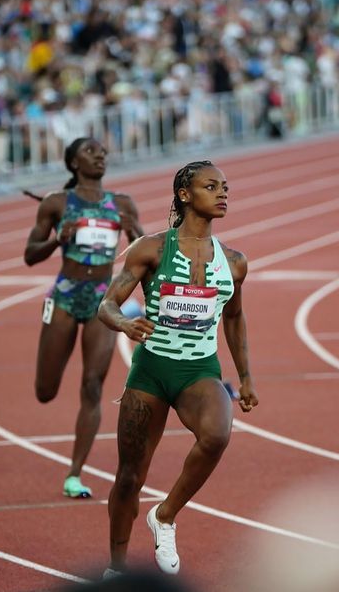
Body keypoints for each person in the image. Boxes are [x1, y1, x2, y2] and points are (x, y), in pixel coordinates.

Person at [97, 160, 258, 577]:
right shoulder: (150, 249)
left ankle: (165, 516)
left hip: (199, 371)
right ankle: (116, 569)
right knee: (130, 477)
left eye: (225, 187)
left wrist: (245, 377)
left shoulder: (234, 262)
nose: (223, 193)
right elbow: (107, 304)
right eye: (211, 186)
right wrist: (125, 323)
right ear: (185, 195)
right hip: (151, 371)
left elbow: (235, 318)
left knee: (217, 435)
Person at [24, 137, 143, 498]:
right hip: (64, 296)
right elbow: (30, 254)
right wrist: (58, 239)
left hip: (100, 302)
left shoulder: (122, 204)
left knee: (93, 386)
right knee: (45, 391)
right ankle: (73, 467)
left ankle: (74, 474)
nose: (100, 156)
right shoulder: (57, 203)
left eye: (103, 151)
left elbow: (146, 249)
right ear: (74, 163)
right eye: (91, 152)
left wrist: (131, 230)